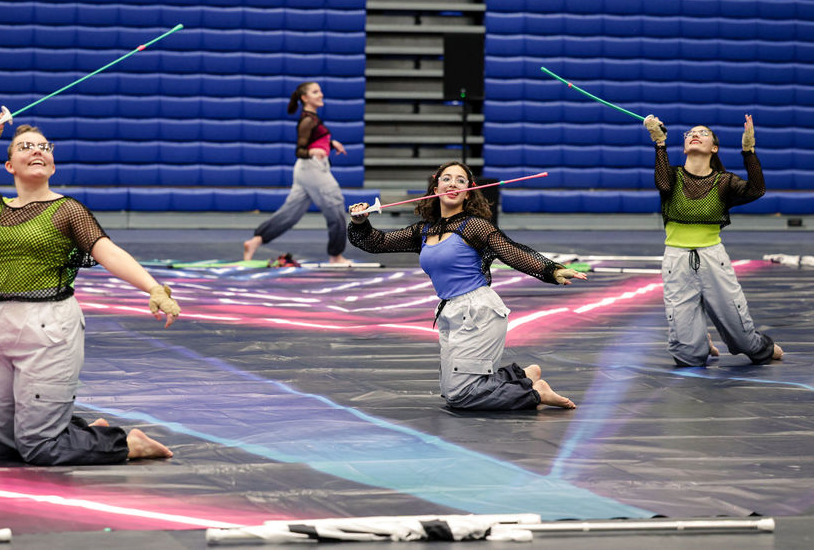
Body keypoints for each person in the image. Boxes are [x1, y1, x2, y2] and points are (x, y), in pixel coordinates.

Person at [0, 113, 181, 465]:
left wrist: (153, 287)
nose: (37, 151)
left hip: (48, 327)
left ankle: (127, 443)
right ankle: (75, 430)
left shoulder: (68, 210)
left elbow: (106, 250)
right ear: (9, 165)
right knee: (5, 446)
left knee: (39, 448)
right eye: (25, 147)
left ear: (52, 163)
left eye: (44, 147)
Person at [347, 161, 585, 411]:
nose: (452, 184)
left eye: (460, 180)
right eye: (446, 178)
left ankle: (535, 393)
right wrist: (361, 222)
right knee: (450, 392)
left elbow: (512, 252)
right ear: (435, 185)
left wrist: (551, 270)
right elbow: (377, 242)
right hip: (451, 312)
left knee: (460, 395)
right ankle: (524, 376)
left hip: (478, 313)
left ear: (468, 190)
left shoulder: (474, 226)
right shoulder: (426, 229)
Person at [644, 114, 783, 367]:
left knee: (745, 343)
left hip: (713, 259)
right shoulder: (673, 176)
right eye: (690, 133)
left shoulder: (724, 182)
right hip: (676, 261)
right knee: (688, 357)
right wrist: (660, 142)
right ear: (685, 145)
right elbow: (662, 184)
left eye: (703, 133)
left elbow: (757, 190)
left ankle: (759, 344)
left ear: (714, 148)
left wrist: (748, 151)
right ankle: (699, 342)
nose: (695, 135)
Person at [243, 81, 351, 264]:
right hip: (313, 171)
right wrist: (311, 152)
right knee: (337, 210)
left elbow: (315, 140)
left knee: (290, 214)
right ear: (305, 98)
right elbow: (300, 150)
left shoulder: (313, 118)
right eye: (315, 92)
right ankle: (336, 256)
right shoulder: (307, 120)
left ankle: (255, 241)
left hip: (307, 171)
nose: (321, 94)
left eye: (320, 91)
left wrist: (331, 144)